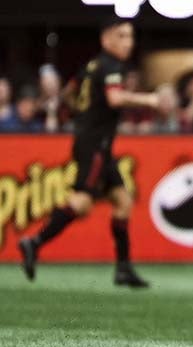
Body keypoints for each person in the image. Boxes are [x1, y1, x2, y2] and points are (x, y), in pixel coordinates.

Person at [19, 19, 160, 287]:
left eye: (130, 36)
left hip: (94, 143)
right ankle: (34, 242)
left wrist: (83, 115)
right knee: (82, 202)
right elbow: (115, 99)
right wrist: (149, 100)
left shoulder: (91, 66)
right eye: (121, 35)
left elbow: (69, 95)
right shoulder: (110, 66)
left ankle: (123, 269)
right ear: (106, 39)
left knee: (122, 201)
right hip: (95, 145)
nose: (127, 42)